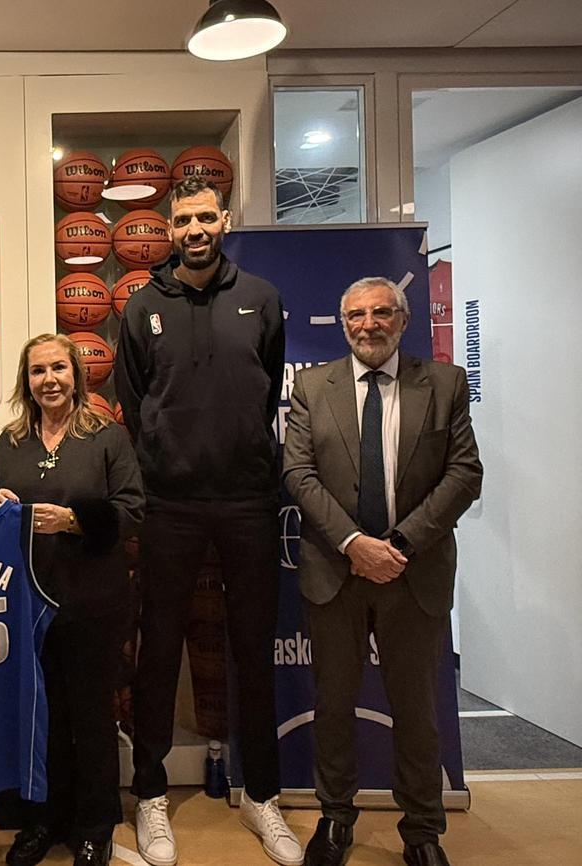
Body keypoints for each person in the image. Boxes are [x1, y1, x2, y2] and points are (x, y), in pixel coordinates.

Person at [114, 176, 298, 866]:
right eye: (183, 219)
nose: (195, 229)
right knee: (159, 650)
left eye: (206, 217)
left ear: (225, 221)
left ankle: (263, 796)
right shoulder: (139, 308)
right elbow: (135, 405)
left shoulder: (262, 298)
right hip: (169, 503)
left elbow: (267, 386)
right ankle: (153, 796)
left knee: (253, 648)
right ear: (168, 229)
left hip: (249, 500)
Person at [283, 277, 482, 866]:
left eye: (381, 313)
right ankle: (335, 821)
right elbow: (297, 473)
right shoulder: (313, 385)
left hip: (412, 573)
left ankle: (422, 832)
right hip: (335, 574)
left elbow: (464, 474)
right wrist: (353, 544)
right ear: (342, 323)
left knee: (417, 710)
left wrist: (397, 544)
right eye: (355, 316)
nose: (368, 325)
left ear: (402, 319)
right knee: (335, 705)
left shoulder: (443, 383)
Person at [0, 333, 144, 866]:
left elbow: (133, 510)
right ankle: (44, 819)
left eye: (57, 369)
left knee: (92, 718)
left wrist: (73, 521)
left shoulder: (107, 438)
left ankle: (95, 825)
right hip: (27, 603)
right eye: (37, 371)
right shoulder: (12, 440)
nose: (48, 380)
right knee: (39, 719)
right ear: (26, 382)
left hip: (94, 601)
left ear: (77, 374)